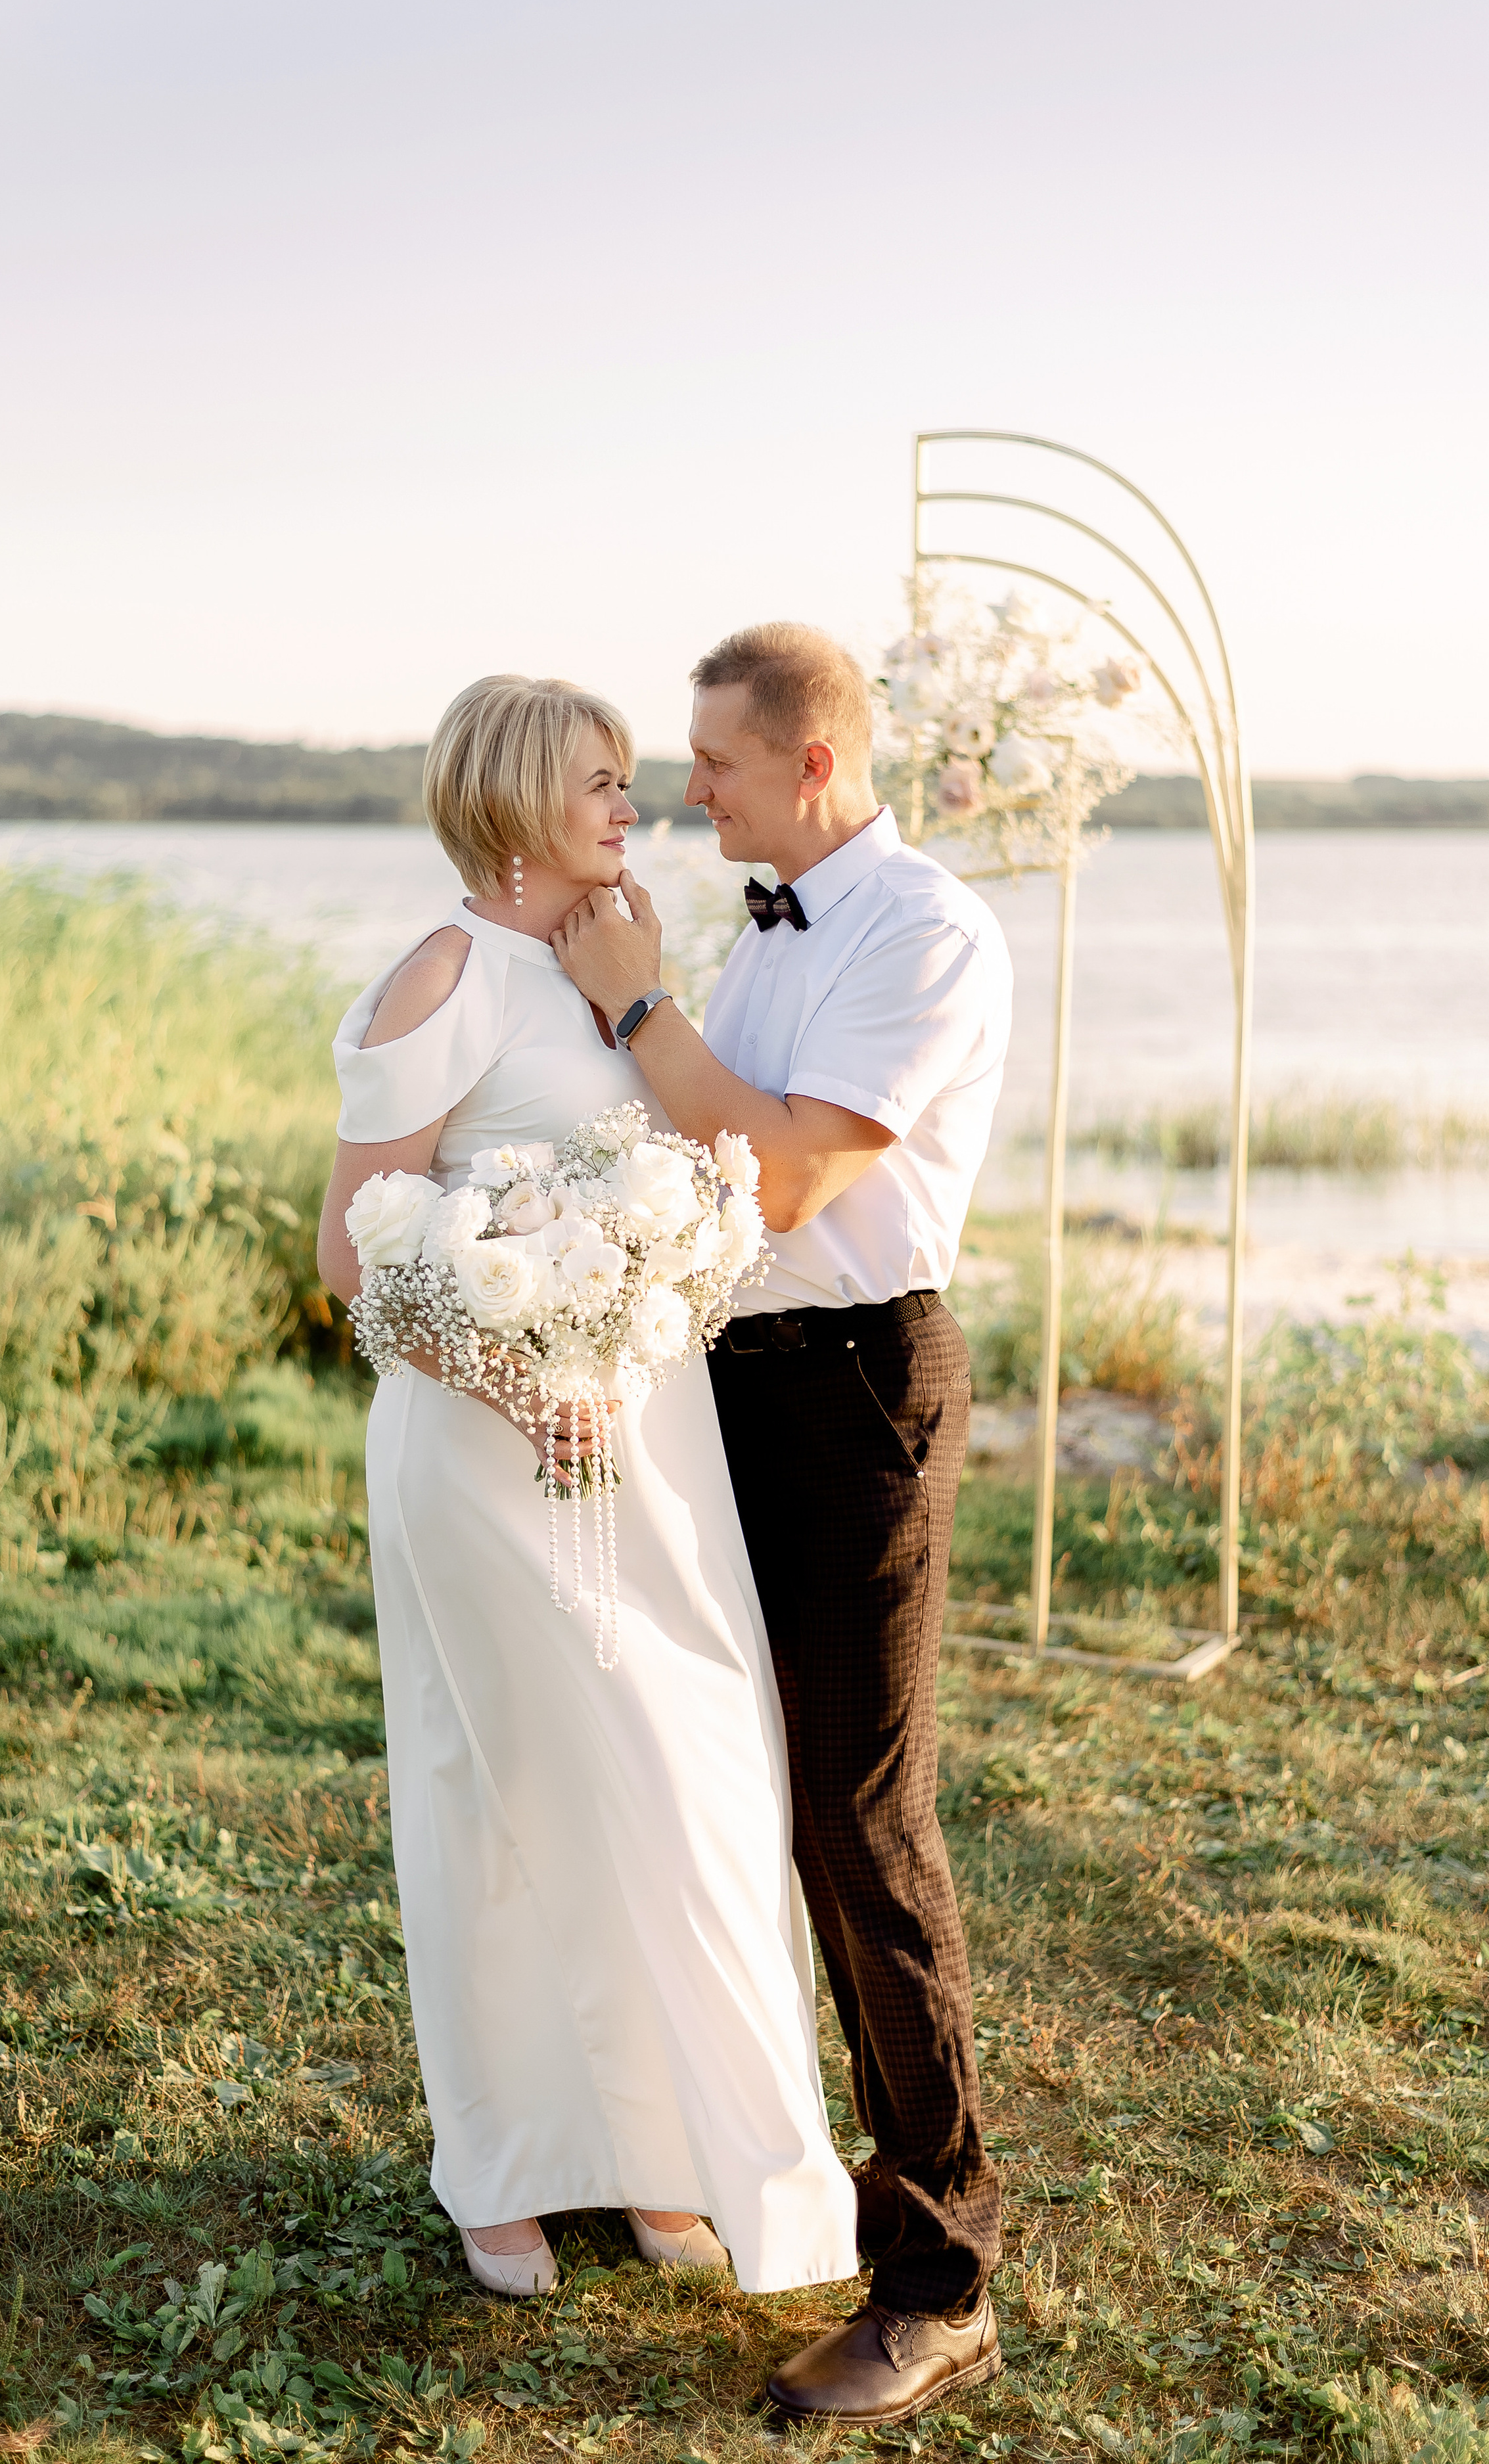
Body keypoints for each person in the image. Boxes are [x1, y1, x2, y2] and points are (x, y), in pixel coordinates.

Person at [315, 672, 858, 2303]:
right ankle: (499, 2168)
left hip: (646, 1434)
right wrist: (524, 1382)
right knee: (502, 1803)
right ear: (508, 790)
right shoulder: (446, 973)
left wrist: (643, 1326)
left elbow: (693, 1189)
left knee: (676, 1784)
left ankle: (652, 2151)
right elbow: (353, 1253)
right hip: (484, 1448)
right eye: (601, 780)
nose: (633, 804)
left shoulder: (613, 965)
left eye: (635, 780)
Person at [553, 622, 1013, 2425]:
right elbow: (686, 1169)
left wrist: (636, 1003)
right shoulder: (765, 931)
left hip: (853, 1395)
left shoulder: (929, 935)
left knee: (856, 1815)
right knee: (707, 1773)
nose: (688, 792)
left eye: (716, 765)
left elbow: (793, 1170)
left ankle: (942, 2268)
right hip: (720, 1376)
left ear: (808, 764)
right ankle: (708, 2155)